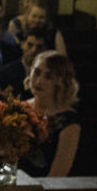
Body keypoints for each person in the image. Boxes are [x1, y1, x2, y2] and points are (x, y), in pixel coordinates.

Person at [21, 50, 83, 178]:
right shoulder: (20, 108)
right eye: (37, 72)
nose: (38, 81)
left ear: (61, 82)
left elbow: (57, 175)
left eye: (49, 76)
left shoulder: (68, 122)